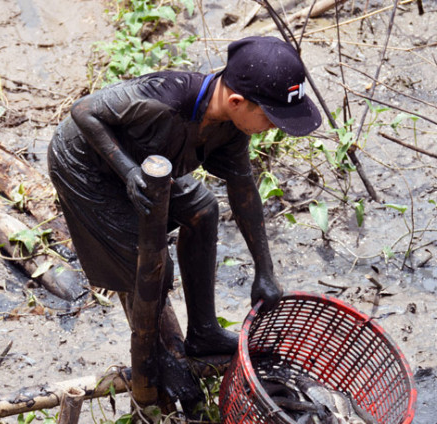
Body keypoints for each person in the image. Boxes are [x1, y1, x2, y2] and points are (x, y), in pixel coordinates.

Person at [48, 36, 322, 357]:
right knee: (151, 265)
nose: (272, 128)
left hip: (148, 163)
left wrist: (264, 270)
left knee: (203, 210)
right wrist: (129, 173)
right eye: (270, 118)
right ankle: (155, 356)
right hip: (85, 161)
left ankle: (204, 332)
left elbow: (244, 189)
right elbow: (83, 110)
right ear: (236, 101)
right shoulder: (161, 100)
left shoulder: (233, 127)